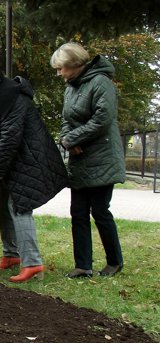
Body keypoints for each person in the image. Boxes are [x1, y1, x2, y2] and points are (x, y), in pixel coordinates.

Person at [0, 54, 67, 282]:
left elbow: (10, 137)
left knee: (19, 206)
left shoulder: (11, 97)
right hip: (16, 161)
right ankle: (11, 255)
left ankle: (32, 263)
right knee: (5, 204)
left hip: (28, 160)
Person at [51, 43, 125, 278]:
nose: (59, 73)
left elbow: (103, 118)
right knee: (78, 212)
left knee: (100, 211)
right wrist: (67, 139)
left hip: (103, 157)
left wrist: (73, 138)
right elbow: (66, 120)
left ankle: (114, 261)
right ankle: (83, 265)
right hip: (80, 159)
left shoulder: (101, 82)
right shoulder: (71, 87)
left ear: (75, 64)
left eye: (61, 68)